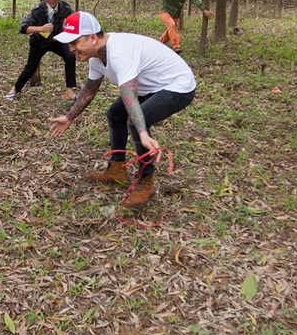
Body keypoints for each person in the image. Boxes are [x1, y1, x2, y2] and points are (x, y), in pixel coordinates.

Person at [48, 11, 199, 209]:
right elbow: (90, 90)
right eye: (69, 44)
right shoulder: (96, 57)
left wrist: (143, 133)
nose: (71, 49)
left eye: (75, 42)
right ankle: (117, 169)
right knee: (115, 114)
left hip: (177, 85)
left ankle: (146, 182)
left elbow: (129, 97)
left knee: (137, 120)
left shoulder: (120, 53)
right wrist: (69, 118)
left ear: (93, 38)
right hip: (150, 86)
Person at [5, 0, 77, 104]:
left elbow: (74, 21)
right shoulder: (37, 9)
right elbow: (22, 28)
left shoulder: (65, 8)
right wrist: (40, 28)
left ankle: (69, 91)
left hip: (56, 40)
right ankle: (15, 90)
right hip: (38, 43)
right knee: (30, 68)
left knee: (70, 56)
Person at [140, 0, 214, 54]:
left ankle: (159, 43)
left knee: (171, 30)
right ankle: (176, 46)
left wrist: (204, 10)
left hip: (176, 14)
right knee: (171, 25)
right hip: (165, 10)